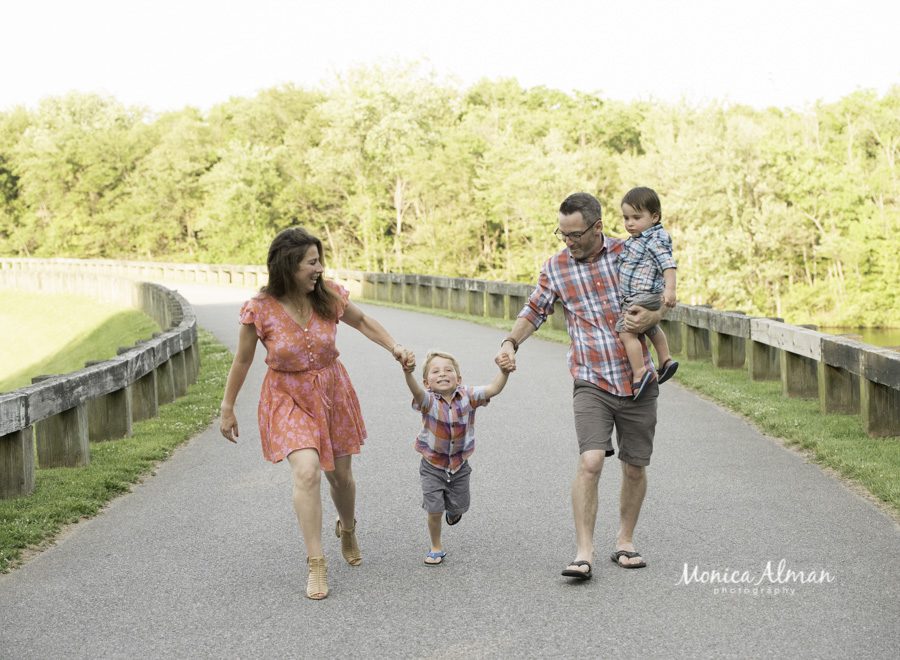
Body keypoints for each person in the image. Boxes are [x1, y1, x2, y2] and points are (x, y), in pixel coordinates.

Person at [219, 227, 413, 600]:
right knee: (307, 470)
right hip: (286, 396)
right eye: (312, 262)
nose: (319, 268)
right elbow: (243, 359)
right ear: (289, 266)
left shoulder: (329, 295)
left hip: (332, 392)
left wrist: (395, 347)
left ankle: (349, 527)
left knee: (340, 478)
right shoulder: (260, 308)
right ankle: (317, 563)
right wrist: (227, 407)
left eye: (319, 260)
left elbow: (362, 322)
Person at [495, 192, 663, 580]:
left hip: (637, 379)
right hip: (591, 379)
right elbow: (535, 309)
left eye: (575, 234)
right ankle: (583, 552)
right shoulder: (556, 268)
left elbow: (662, 296)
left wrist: (652, 314)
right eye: (562, 233)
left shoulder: (630, 253)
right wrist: (510, 342)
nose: (568, 241)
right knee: (590, 462)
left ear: (598, 227)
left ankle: (624, 541)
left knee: (635, 467)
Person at [401, 350, 509, 565]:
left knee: (460, 505)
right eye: (435, 371)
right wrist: (407, 373)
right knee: (434, 509)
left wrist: (504, 372)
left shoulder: (468, 395)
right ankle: (436, 547)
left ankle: (454, 511)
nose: (442, 374)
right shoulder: (428, 400)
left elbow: (493, 389)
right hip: (432, 465)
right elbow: (416, 390)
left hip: (460, 465)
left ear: (458, 379)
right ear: (427, 382)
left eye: (448, 370)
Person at [617, 186, 679, 399]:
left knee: (627, 332)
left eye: (636, 217)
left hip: (642, 295)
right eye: (626, 218)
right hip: (642, 295)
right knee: (651, 326)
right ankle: (665, 360)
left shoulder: (653, 239)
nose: (629, 223)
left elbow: (668, 264)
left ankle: (640, 372)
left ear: (655, 217)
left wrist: (670, 290)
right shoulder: (639, 239)